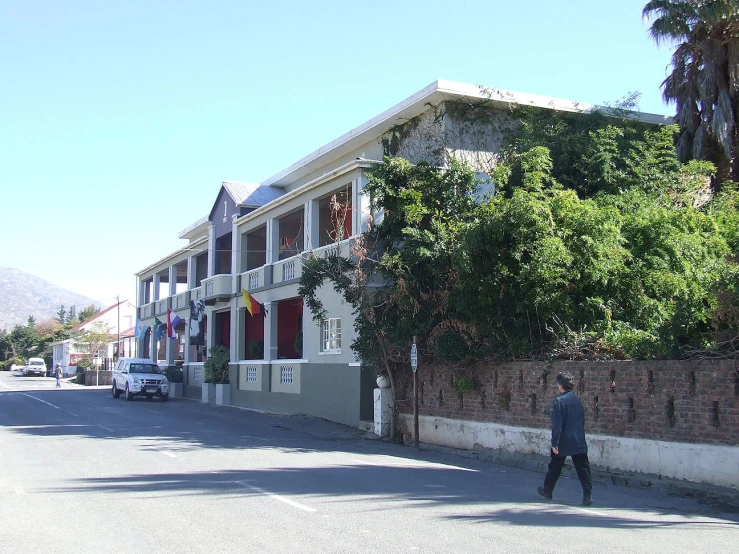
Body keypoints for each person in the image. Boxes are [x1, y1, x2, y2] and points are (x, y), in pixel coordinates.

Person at [538, 371, 593, 506]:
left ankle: (547, 491)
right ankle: (587, 495)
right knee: (583, 468)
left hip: (563, 440)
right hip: (578, 438)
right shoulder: (577, 400)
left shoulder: (558, 401)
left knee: (555, 466)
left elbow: (557, 425)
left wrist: (555, 443)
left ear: (560, 385)